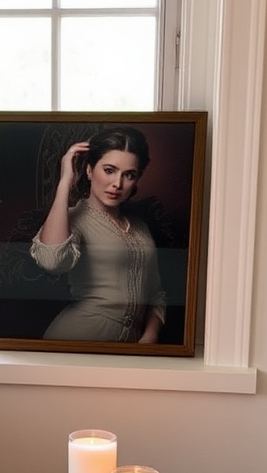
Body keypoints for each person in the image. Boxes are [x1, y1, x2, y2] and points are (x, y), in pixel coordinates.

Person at [29, 126, 166, 343]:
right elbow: (51, 260)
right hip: (79, 337)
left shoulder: (140, 227)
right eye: (109, 170)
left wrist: (150, 335)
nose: (117, 184)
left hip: (131, 346)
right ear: (90, 170)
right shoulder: (73, 218)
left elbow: (156, 292)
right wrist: (65, 182)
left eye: (129, 175)